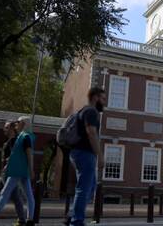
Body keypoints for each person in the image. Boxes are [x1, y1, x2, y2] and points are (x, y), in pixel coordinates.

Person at [65, 87, 106, 226]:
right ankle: (76, 221)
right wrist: (100, 155)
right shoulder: (91, 111)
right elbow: (92, 133)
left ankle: (72, 215)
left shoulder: (83, 111)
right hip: (85, 153)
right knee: (84, 188)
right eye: (103, 98)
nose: (104, 102)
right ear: (95, 97)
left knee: (90, 186)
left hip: (78, 153)